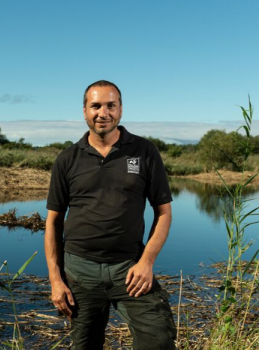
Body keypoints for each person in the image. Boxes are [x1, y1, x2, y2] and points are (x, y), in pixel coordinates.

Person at [45, 80, 177, 350]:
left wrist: (147, 262)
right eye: (95, 106)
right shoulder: (67, 159)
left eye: (110, 105)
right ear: (84, 111)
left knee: (158, 341)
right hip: (80, 273)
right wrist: (56, 280)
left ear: (120, 110)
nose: (102, 113)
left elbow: (163, 213)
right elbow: (53, 223)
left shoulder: (144, 152)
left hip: (130, 270)